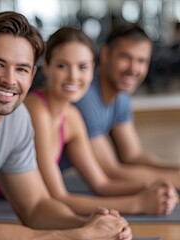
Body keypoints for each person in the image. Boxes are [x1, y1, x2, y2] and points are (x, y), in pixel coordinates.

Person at [0, 11, 132, 240]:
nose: (9, 79)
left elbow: (36, 206)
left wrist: (91, 225)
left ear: (33, 74)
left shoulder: (17, 117)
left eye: (21, 69)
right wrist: (78, 236)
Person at [23, 26, 178, 216]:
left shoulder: (72, 117)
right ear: (46, 68)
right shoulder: (36, 108)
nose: (73, 76)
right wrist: (138, 204)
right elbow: (57, 198)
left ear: (91, 70)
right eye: (62, 66)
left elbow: (102, 183)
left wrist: (156, 188)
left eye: (82, 67)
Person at [64, 23, 180, 190]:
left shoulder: (121, 97)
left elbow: (133, 156)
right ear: (105, 54)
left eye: (141, 60)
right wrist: (174, 180)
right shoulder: (85, 97)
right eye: (125, 57)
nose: (133, 68)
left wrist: (175, 171)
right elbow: (111, 172)